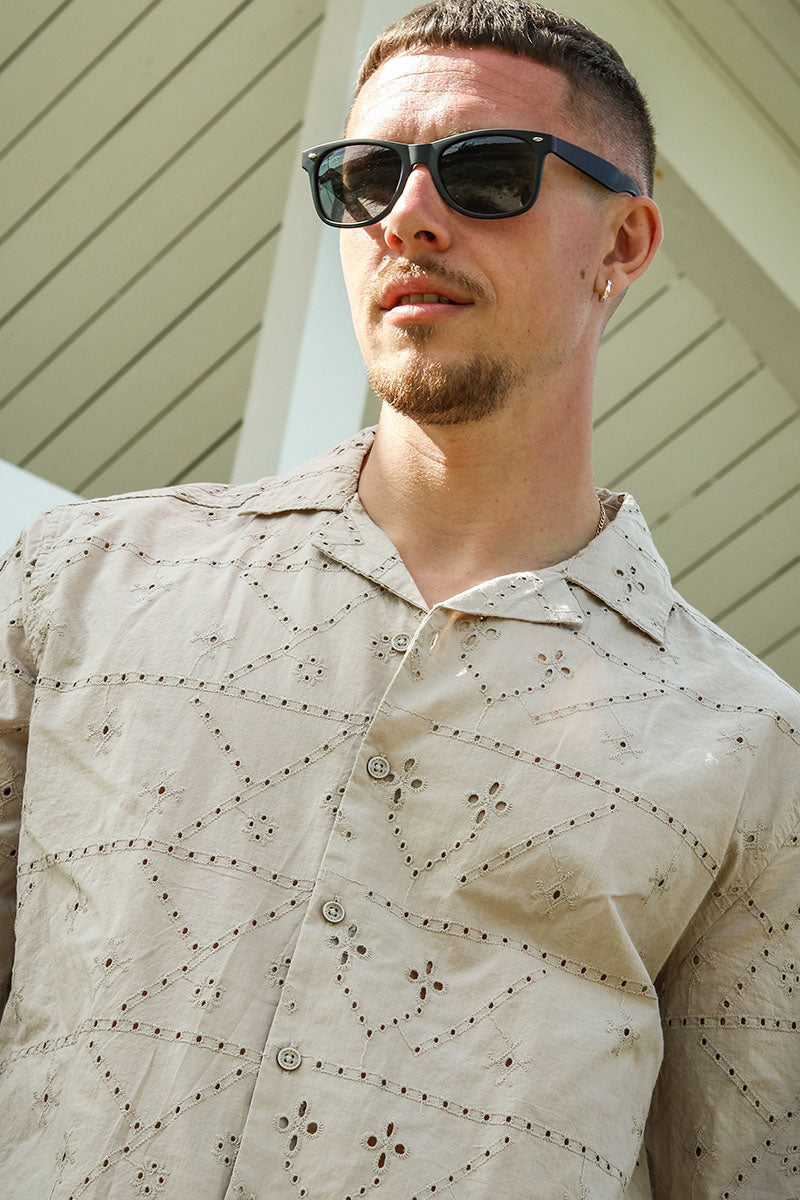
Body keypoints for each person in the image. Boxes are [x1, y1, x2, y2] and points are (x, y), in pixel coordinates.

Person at [1, 2, 798, 1196]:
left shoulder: (751, 755)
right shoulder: (79, 580)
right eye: (366, 177)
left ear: (623, 242)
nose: (408, 215)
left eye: (485, 172)